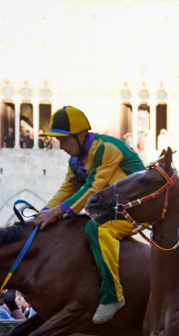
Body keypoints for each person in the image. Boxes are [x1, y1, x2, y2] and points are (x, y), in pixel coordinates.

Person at [36, 105, 145, 323]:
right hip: (113, 208)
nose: (61, 146)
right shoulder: (75, 160)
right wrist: (44, 213)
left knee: (96, 229)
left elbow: (94, 187)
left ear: (81, 135)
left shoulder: (106, 148)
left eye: (64, 140)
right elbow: (67, 189)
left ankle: (113, 296)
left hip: (139, 208)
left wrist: (58, 212)